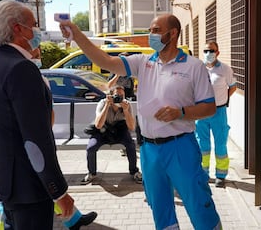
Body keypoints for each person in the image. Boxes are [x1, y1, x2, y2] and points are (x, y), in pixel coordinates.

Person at [59, 14, 222, 229]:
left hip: (180, 146)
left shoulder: (194, 66)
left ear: (172, 33)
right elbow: (105, 61)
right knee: (160, 208)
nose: (150, 34)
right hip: (149, 150)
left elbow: (209, 107)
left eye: (155, 30)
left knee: (199, 205)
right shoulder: (143, 62)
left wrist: (180, 112)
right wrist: (78, 35)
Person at [0, 0, 96, 230]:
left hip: (6, 182)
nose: (37, 31)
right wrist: (59, 191)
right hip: (29, 187)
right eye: (33, 24)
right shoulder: (21, 69)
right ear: (17, 28)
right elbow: (35, 141)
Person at [80, 85, 142, 185]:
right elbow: (98, 125)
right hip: (103, 131)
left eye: (122, 96)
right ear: (110, 96)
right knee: (91, 148)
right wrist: (107, 105)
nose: (120, 99)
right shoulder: (103, 103)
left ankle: (134, 171)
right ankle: (92, 172)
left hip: (120, 131)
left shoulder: (126, 105)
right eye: (117, 96)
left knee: (131, 145)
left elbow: (131, 127)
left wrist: (125, 110)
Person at [195, 41, 237, 188]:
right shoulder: (198, 69)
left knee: (220, 145)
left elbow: (233, 87)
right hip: (201, 112)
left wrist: (224, 99)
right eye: (205, 51)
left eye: (211, 51)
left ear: (218, 52)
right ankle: (203, 173)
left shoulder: (225, 69)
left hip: (219, 111)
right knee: (202, 145)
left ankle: (221, 175)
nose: (208, 54)